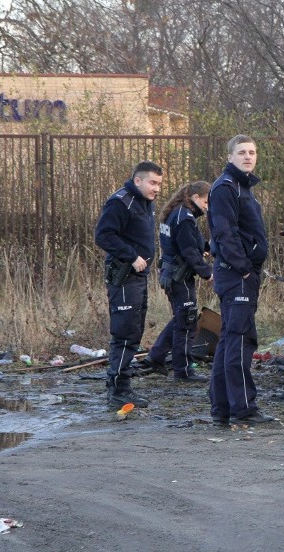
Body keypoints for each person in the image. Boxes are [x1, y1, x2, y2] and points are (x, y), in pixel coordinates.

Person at [207, 135, 275, 426]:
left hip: (242, 274)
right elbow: (224, 232)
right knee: (239, 341)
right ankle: (243, 408)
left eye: (252, 152)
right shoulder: (226, 188)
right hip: (237, 276)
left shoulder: (242, 187)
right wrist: (244, 268)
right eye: (242, 152)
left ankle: (223, 408)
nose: (248, 157)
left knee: (230, 341)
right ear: (230, 156)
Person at [94, 160, 163, 408]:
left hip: (138, 278)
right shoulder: (121, 202)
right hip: (123, 276)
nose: (157, 188)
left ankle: (122, 385)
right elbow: (103, 235)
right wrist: (131, 256)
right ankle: (118, 390)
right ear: (138, 181)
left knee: (134, 330)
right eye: (152, 183)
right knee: (124, 332)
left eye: (159, 184)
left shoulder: (145, 203)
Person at [142, 181, 213, 382]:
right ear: (195, 198)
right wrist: (207, 273)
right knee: (187, 322)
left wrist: (206, 248)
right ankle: (183, 371)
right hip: (178, 276)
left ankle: (155, 357)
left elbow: (189, 243)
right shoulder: (185, 218)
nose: (208, 206)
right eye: (206, 201)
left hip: (171, 273)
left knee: (180, 318)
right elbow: (189, 251)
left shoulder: (177, 213)